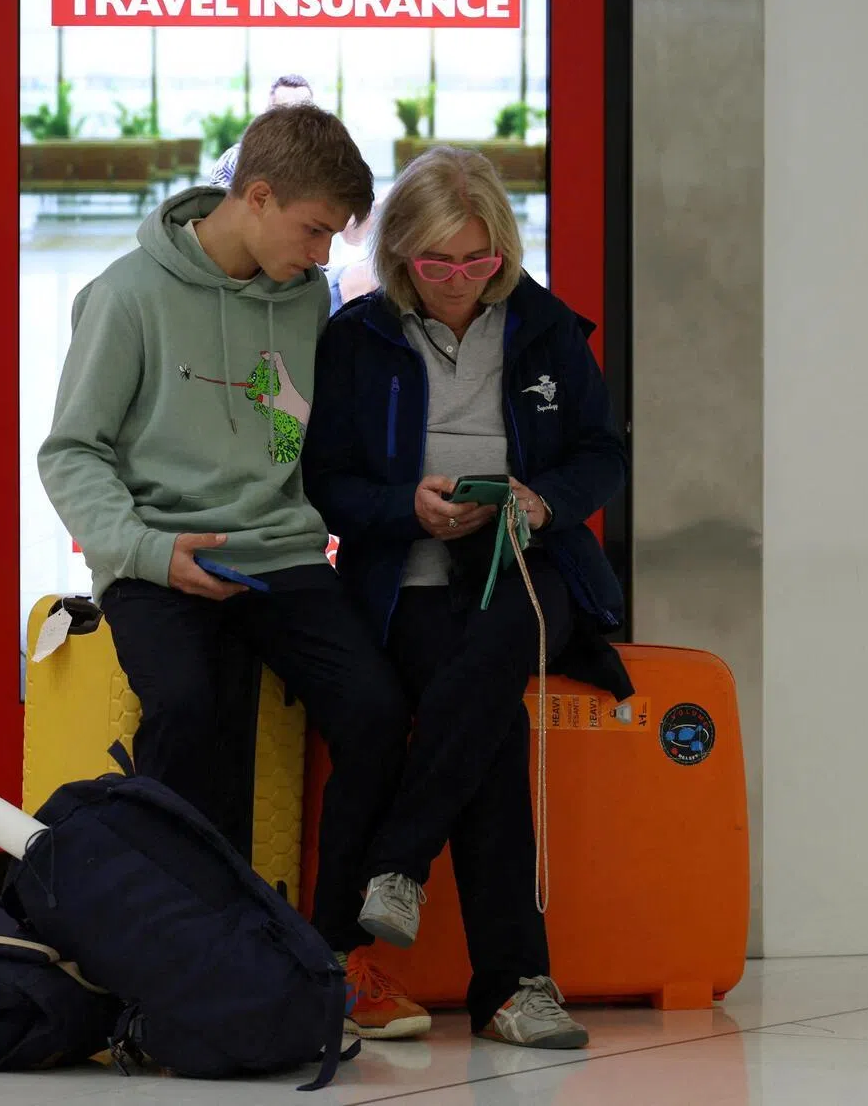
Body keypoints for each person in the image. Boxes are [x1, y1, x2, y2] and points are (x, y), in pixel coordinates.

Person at [39, 104, 431, 1039]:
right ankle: (179, 959)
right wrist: (144, 552)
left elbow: (308, 438)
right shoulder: (125, 295)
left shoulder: (306, 296)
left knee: (377, 712)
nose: (322, 252)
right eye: (312, 229)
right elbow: (70, 455)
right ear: (255, 197)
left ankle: (333, 956)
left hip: (280, 556)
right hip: (158, 554)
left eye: (334, 235)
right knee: (188, 710)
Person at [303, 146, 631, 1050]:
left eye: (479, 262)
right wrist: (405, 509)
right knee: (493, 725)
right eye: (437, 263)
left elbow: (602, 454)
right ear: (402, 253)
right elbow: (325, 480)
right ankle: (516, 987)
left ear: (505, 252)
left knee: (492, 659)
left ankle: (398, 863)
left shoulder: (547, 327)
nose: (457, 282)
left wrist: (542, 499)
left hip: (536, 566)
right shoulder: (356, 338)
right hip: (408, 577)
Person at [209, 75, 313, 189]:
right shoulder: (235, 160)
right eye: (284, 111)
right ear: (267, 115)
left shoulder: (330, 162)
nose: (294, 120)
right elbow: (216, 202)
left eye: (303, 112)